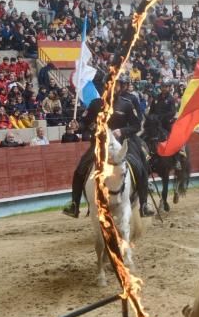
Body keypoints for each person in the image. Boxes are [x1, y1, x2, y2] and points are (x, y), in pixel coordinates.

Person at [62, 72, 147, 218]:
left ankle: (144, 204)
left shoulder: (127, 104)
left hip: (121, 145)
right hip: (99, 145)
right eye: (110, 83)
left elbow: (136, 125)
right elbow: (85, 123)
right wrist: (77, 125)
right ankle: (74, 204)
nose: (113, 86)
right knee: (80, 169)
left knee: (140, 167)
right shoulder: (95, 104)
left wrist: (122, 131)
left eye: (116, 84)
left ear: (120, 86)